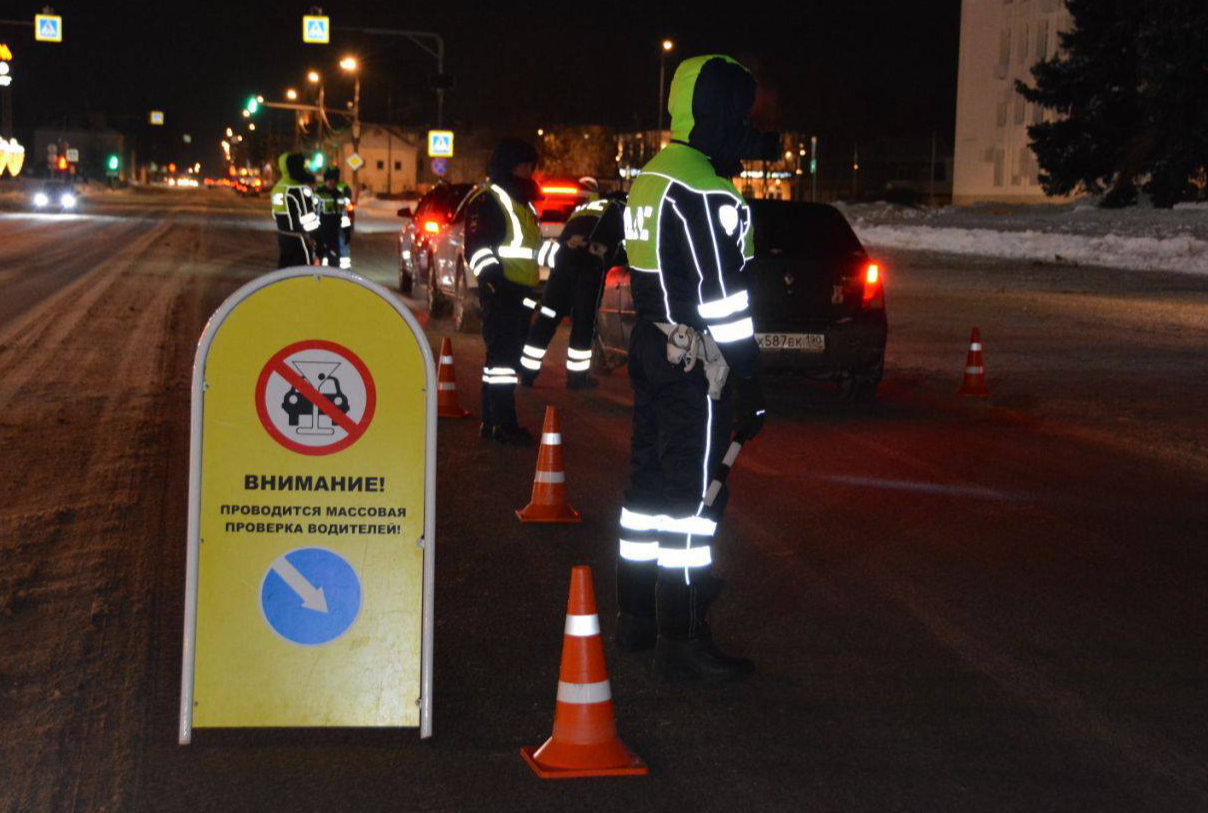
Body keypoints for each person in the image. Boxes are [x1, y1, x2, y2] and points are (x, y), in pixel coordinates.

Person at [614, 55, 777, 681]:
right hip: (698, 358)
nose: (747, 128)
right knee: (692, 499)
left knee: (648, 490)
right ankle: (683, 640)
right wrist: (750, 372)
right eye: (740, 114)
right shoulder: (704, 188)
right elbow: (721, 297)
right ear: (716, 113)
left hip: (653, 345)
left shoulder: (653, 176)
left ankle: (636, 618)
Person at [463, 139, 544, 445]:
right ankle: (504, 425)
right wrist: (495, 283)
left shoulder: (523, 202)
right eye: (526, 165)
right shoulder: (490, 199)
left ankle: (491, 421)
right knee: (504, 363)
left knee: (501, 361)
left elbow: (527, 250)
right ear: (510, 165)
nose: (530, 171)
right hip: (502, 292)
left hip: (519, 291)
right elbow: (478, 250)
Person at [520, 183, 627, 389]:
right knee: (583, 322)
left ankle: (527, 373)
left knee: (547, 318)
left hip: (561, 268)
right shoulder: (619, 210)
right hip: (588, 268)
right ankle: (577, 379)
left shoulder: (586, 208)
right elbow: (622, 249)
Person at [270, 152, 320, 268]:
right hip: (300, 240)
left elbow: (275, 214)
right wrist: (318, 240)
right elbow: (309, 221)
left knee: (285, 273)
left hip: (283, 237)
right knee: (304, 274)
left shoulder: (277, 188)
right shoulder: (298, 189)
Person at [314, 168, 351, 269]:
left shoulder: (340, 196)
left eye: (334, 179)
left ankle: (333, 280)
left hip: (335, 233)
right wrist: (315, 233)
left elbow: (344, 215)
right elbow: (314, 214)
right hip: (321, 233)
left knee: (335, 260)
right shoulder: (318, 195)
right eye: (329, 180)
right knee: (318, 259)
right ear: (325, 180)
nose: (331, 182)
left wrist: (347, 231)